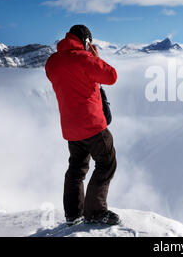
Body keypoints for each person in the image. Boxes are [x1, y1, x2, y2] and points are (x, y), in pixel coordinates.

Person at [45, 25, 120, 226]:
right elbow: (111, 76)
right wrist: (94, 57)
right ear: (86, 41)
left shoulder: (52, 63)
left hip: (71, 128)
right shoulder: (84, 59)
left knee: (76, 169)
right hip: (93, 125)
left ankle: (73, 213)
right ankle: (95, 212)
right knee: (106, 163)